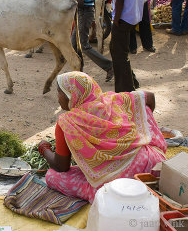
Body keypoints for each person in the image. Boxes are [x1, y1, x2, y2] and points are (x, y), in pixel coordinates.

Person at [39, 71, 166, 203]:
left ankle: (104, 193)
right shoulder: (111, 100)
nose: (58, 97)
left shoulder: (67, 122)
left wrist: (44, 148)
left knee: (51, 176)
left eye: (59, 92)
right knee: (140, 107)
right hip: (151, 165)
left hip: (116, 187)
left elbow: (61, 166)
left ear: (71, 95)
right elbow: (149, 97)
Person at [72, 0, 113, 82]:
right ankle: (78, 70)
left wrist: (70, 2)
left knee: (84, 45)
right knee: (74, 43)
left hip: (83, 13)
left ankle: (109, 66)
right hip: (87, 12)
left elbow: (81, 2)